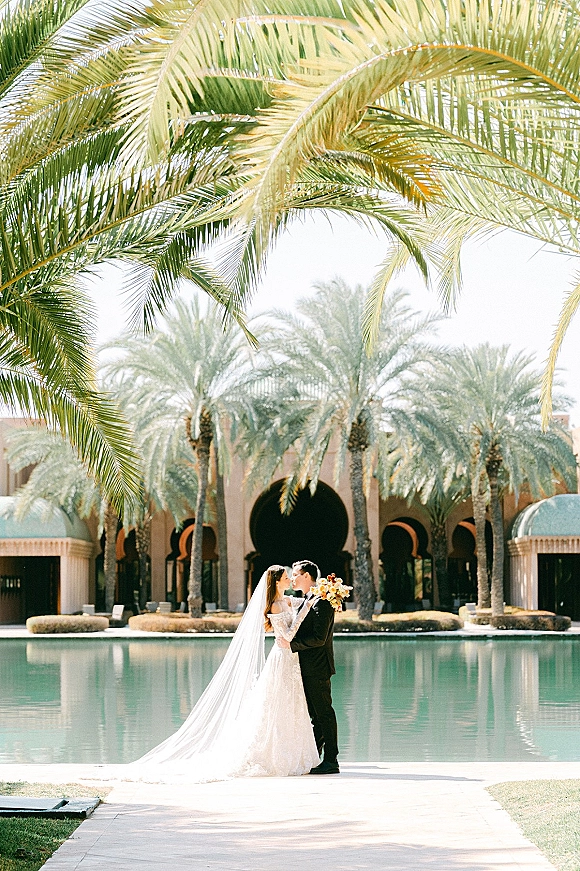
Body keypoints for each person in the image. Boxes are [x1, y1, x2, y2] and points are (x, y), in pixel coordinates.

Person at [130, 565, 320, 782]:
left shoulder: (286, 600)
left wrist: (322, 594)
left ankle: (294, 753)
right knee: (276, 703)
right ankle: (273, 755)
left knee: (292, 704)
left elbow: (307, 599)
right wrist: (305, 611)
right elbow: (287, 636)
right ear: (276, 582)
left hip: (292, 659)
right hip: (282, 657)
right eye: (286, 577)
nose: (290, 580)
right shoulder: (275, 606)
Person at [279, 559, 340, 775]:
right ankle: (316, 756)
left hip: (318, 667)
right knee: (315, 715)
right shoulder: (308, 600)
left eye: (295, 574)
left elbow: (319, 638)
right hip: (308, 666)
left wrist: (291, 645)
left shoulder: (322, 601)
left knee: (324, 713)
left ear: (307, 576)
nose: (292, 578)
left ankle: (331, 760)